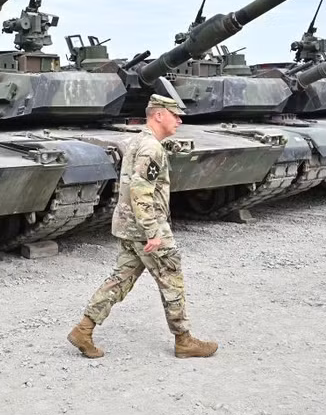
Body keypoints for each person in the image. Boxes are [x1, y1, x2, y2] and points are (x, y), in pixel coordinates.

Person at [67, 94, 218, 359]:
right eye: (174, 114)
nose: (179, 120)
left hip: (129, 225)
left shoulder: (139, 141)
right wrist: (153, 232)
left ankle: (84, 329)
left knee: (120, 278)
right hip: (147, 228)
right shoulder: (151, 148)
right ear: (159, 115)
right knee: (172, 277)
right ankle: (184, 340)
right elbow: (140, 191)